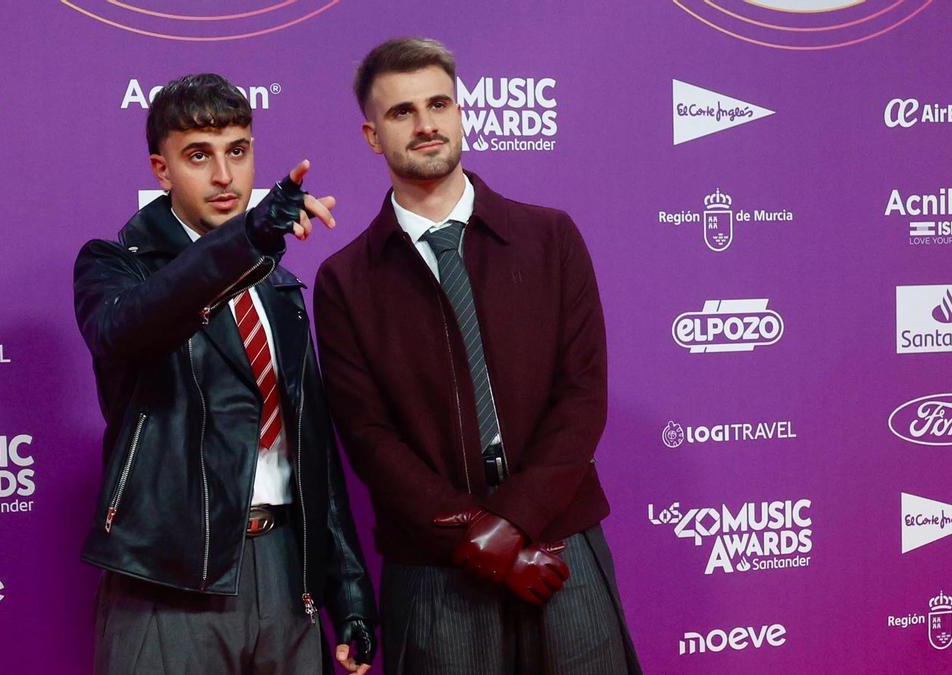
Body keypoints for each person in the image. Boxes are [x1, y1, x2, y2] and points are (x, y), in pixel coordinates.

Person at [313, 39, 641, 674]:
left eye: (439, 103)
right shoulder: (345, 279)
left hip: (559, 544)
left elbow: (582, 398)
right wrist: (475, 538)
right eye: (402, 112)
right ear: (372, 136)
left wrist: (510, 527)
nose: (426, 123)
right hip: (435, 568)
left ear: (462, 113)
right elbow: (369, 438)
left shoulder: (550, 238)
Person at [74, 72, 376, 675]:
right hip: (169, 576)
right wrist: (247, 241)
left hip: (287, 572)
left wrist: (349, 591)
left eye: (237, 151)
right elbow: (129, 328)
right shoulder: (115, 268)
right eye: (198, 156)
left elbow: (310, 447)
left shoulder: (280, 282)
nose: (224, 176)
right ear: (162, 171)